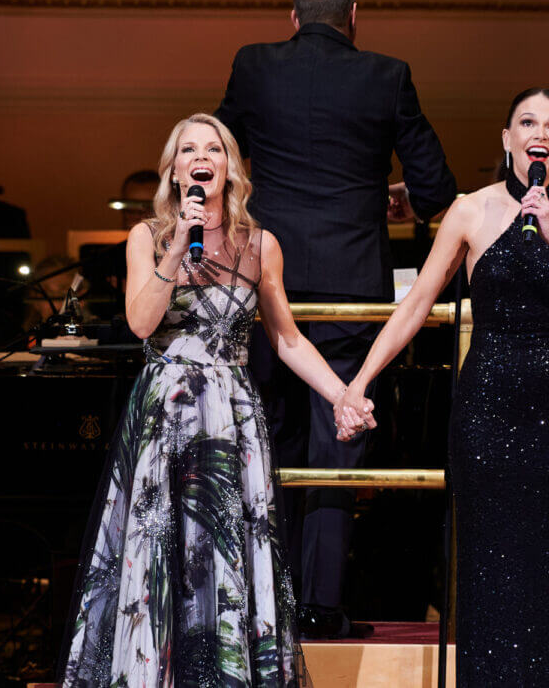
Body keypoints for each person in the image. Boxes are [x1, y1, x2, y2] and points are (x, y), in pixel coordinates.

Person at [59, 113, 370, 687]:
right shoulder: (146, 237)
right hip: (166, 414)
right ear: (175, 172)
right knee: (162, 549)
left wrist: (342, 394)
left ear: (230, 170)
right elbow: (140, 321)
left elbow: (286, 337)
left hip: (230, 420)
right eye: (187, 150)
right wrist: (176, 248)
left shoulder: (260, 244)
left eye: (214, 149)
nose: (201, 158)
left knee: (224, 553)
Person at [335, 88, 549, 684]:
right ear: (507, 138)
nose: (540, 132)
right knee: (488, 577)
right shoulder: (470, 210)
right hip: (487, 414)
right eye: (527, 121)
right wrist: (357, 382)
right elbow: (414, 306)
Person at [214, 0, 457, 637]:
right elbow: (436, 190)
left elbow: (217, 157)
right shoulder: (388, 75)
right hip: (353, 283)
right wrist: (386, 198)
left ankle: (262, 610)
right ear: (355, 17)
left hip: (267, 281)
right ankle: (318, 609)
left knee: (267, 441)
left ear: (293, 17)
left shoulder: (255, 66)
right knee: (335, 445)